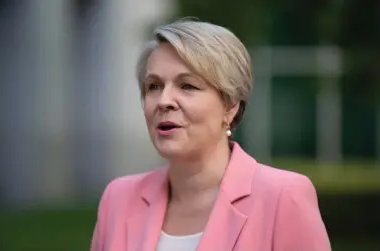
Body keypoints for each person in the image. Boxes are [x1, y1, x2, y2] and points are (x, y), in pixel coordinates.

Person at [90, 19, 331, 251]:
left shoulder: (283, 197)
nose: (164, 101)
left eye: (187, 86)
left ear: (230, 105)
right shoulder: (119, 198)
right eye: (154, 86)